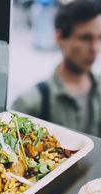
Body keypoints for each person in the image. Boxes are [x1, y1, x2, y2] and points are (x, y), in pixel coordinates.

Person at [11, 0, 101, 137]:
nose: (94, 48)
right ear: (60, 37)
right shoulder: (32, 103)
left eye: (99, 38)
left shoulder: (98, 89)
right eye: (85, 38)